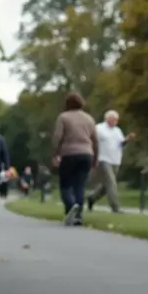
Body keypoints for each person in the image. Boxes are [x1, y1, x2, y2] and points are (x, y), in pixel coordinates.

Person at [51, 92, 99, 226]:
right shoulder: (89, 119)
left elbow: (57, 137)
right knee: (79, 185)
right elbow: (95, 140)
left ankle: (71, 205)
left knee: (65, 184)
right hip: (86, 154)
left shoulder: (63, 117)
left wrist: (55, 153)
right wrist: (95, 157)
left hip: (69, 153)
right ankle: (77, 216)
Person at [87, 110, 134, 213]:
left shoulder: (117, 130)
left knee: (106, 185)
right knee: (111, 182)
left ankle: (92, 198)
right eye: (114, 119)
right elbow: (91, 141)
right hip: (103, 159)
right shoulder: (99, 128)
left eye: (117, 120)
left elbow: (121, 144)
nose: (116, 121)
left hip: (115, 160)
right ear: (108, 119)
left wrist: (127, 140)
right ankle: (115, 207)